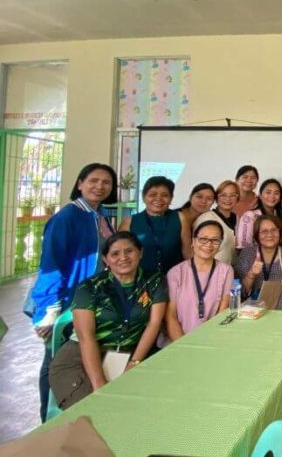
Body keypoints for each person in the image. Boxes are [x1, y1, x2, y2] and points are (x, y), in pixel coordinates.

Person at [28, 162, 117, 422]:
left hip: (90, 302)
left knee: (76, 358)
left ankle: (74, 416)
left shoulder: (98, 216)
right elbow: (51, 265)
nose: (99, 187)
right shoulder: (66, 217)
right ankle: (49, 421)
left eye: (106, 183)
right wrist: (50, 310)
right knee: (55, 362)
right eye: (93, 180)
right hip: (66, 303)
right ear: (79, 183)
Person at [48, 232, 167, 410]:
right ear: (105, 259)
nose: (123, 258)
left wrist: (135, 362)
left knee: (137, 411)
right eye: (115, 254)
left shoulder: (154, 281)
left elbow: (154, 324)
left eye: (129, 251)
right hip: (80, 357)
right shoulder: (89, 287)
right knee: (92, 413)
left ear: (140, 253)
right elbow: (86, 338)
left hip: (126, 355)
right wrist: (99, 384)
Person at [162, 220, 234, 344]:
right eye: (203, 239)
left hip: (211, 341)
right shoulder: (176, 273)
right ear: (193, 242)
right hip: (177, 343)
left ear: (220, 245)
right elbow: (170, 316)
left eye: (215, 240)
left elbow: (222, 311)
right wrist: (183, 347)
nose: (208, 244)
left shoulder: (226, 271)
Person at [119, 176, 191, 275]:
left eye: (165, 195)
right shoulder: (130, 221)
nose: (158, 199)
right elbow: (121, 256)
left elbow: (188, 253)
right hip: (140, 281)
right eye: (152, 194)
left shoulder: (180, 218)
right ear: (144, 197)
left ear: (171, 198)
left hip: (174, 279)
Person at [235, 215, 282, 310]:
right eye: (264, 231)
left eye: (274, 230)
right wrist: (251, 274)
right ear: (256, 235)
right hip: (250, 312)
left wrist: (276, 314)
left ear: (280, 232)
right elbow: (240, 293)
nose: (270, 234)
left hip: (278, 312)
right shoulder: (247, 254)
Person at [194, 180, 238, 266]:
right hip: (209, 272)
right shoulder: (207, 218)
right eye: (223, 195)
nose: (228, 199)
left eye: (232, 195)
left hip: (229, 272)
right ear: (216, 198)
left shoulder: (237, 219)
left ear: (237, 198)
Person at [237, 179, 282, 249]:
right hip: (254, 258)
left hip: (279, 256)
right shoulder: (249, 216)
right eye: (268, 192)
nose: (272, 196)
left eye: (276, 193)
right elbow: (243, 246)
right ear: (260, 195)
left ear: (280, 197)